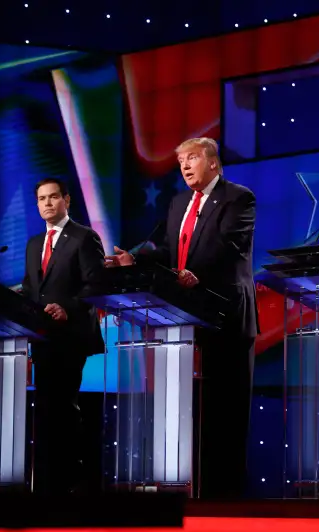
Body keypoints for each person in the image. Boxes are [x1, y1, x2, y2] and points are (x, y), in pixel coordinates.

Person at [108, 137, 258, 500]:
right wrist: (136, 259)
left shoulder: (239, 197)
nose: (185, 166)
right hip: (185, 317)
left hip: (227, 314)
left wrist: (193, 273)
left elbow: (228, 244)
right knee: (196, 408)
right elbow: (166, 248)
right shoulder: (178, 203)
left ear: (212, 162)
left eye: (191, 159)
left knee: (228, 408)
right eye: (180, 162)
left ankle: (228, 496)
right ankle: (194, 490)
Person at [21, 177, 106, 494]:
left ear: (66, 200)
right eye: (42, 198)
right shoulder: (33, 244)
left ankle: (71, 480)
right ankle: (46, 482)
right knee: (45, 408)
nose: (47, 203)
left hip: (71, 336)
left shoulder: (84, 238)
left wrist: (67, 307)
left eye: (53, 197)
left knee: (63, 406)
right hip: (41, 338)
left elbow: (96, 285)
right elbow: (30, 289)